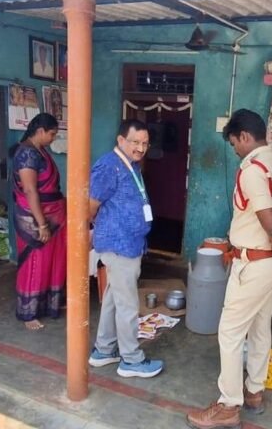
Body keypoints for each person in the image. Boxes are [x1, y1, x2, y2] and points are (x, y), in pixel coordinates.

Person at [187, 109, 272, 429]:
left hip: (253, 263)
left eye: (234, 143)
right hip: (271, 264)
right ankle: (254, 392)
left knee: (229, 332)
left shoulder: (253, 169)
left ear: (244, 137)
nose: (235, 149)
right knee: (260, 328)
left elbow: (269, 220)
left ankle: (228, 405)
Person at [87, 119, 164, 378]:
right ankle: (131, 359)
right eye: (135, 142)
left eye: (145, 143)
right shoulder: (110, 166)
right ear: (121, 140)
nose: (140, 148)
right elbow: (90, 204)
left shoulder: (130, 165)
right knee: (128, 305)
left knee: (113, 299)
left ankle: (104, 350)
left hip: (129, 244)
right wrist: (92, 230)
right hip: (118, 245)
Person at [10, 113, 65, 330]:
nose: (53, 138)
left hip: (53, 214)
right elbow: (31, 190)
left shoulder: (39, 150)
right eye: (52, 134)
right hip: (33, 218)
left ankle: (48, 305)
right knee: (34, 263)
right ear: (40, 131)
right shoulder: (26, 154)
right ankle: (28, 313)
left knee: (50, 261)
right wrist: (42, 224)